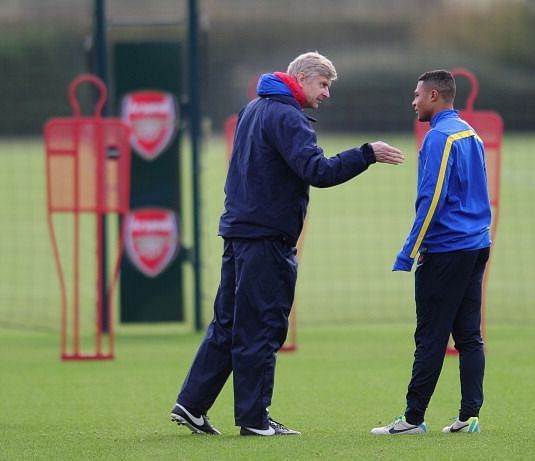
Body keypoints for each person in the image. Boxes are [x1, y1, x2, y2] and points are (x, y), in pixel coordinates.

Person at [170, 51, 405, 437]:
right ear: (303, 78)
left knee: (227, 324)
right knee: (261, 326)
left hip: (239, 231)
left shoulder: (253, 109)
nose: (327, 94)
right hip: (266, 238)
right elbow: (318, 170)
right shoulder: (288, 116)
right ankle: (254, 420)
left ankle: (192, 404)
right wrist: (367, 154)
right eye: (324, 85)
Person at [371, 70, 491, 435]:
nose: (414, 102)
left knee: (431, 335)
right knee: (469, 335)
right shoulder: (471, 134)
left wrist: (409, 251)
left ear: (435, 95)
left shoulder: (439, 138)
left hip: (446, 250)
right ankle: (469, 417)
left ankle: (412, 419)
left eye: (417, 95)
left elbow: (432, 198)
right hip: (476, 245)